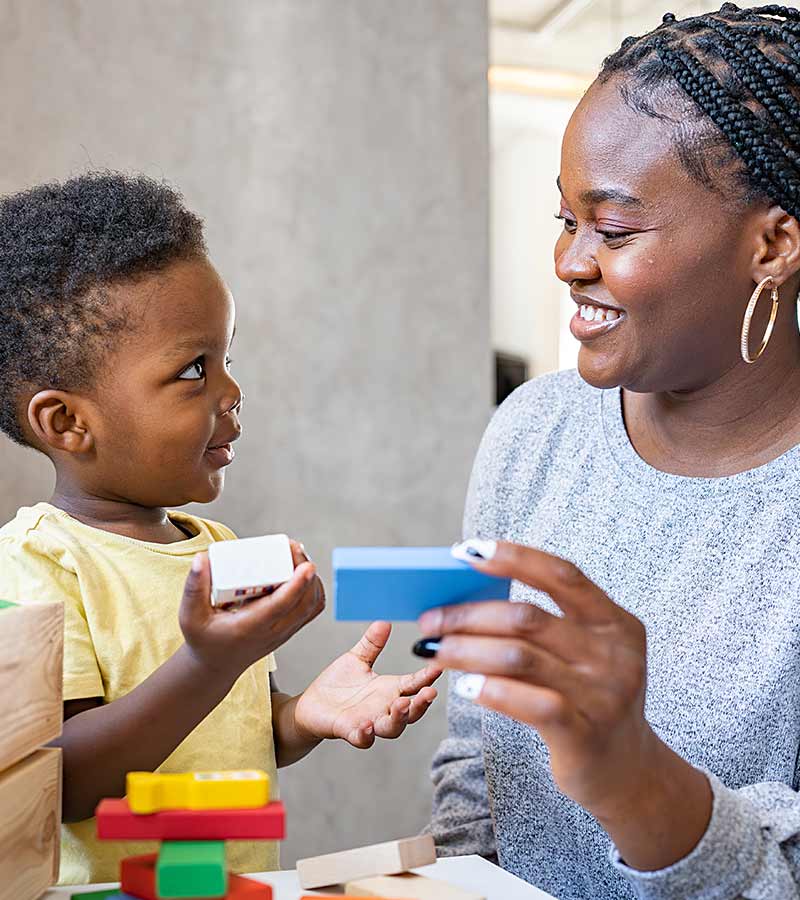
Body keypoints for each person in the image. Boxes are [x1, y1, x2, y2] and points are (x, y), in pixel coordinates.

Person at [417, 4, 800, 899]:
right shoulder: (531, 431)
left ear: (773, 245)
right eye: (565, 219)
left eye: (615, 231)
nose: (569, 261)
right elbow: (474, 753)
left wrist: (632, 773)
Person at [0, 173, 441, 885]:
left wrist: (301, 716)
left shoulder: (219, 550)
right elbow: (66, 779)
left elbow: (230, 730)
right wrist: (211, 663)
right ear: (68, 423)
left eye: (226, 360)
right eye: (194, 371)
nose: (232, 394)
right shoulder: (38, 566)